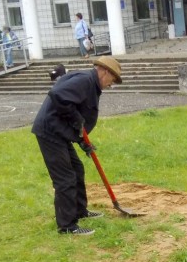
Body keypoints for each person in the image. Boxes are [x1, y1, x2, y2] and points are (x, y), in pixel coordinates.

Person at [32, 56, 123, 235]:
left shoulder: (90, 83)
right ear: (105, 71)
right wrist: (77, 119)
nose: (111, 84)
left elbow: (75, 116)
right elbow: (58, 96)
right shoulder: (85, 80)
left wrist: (83, 142)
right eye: (112, 80)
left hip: (60, 132)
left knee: (77, 169)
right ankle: (67, 226)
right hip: (50, 132)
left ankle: (80, 211)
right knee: (65, 178)